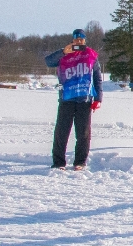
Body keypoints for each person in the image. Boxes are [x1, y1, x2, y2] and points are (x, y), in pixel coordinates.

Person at [44, 28, 103, 170]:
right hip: (67, 99)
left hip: (84, 99)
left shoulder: (90, 56)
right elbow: (48, 61)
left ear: (85, 40)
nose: (79, 41)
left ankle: (80, 161)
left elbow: (97, 78)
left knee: (83, 133)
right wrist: (63, 52)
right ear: (72, 40)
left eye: (81, 39)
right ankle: (58, 162)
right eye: (76, 39)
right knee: (61, 132)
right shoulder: (65, 53)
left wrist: (98, 98)